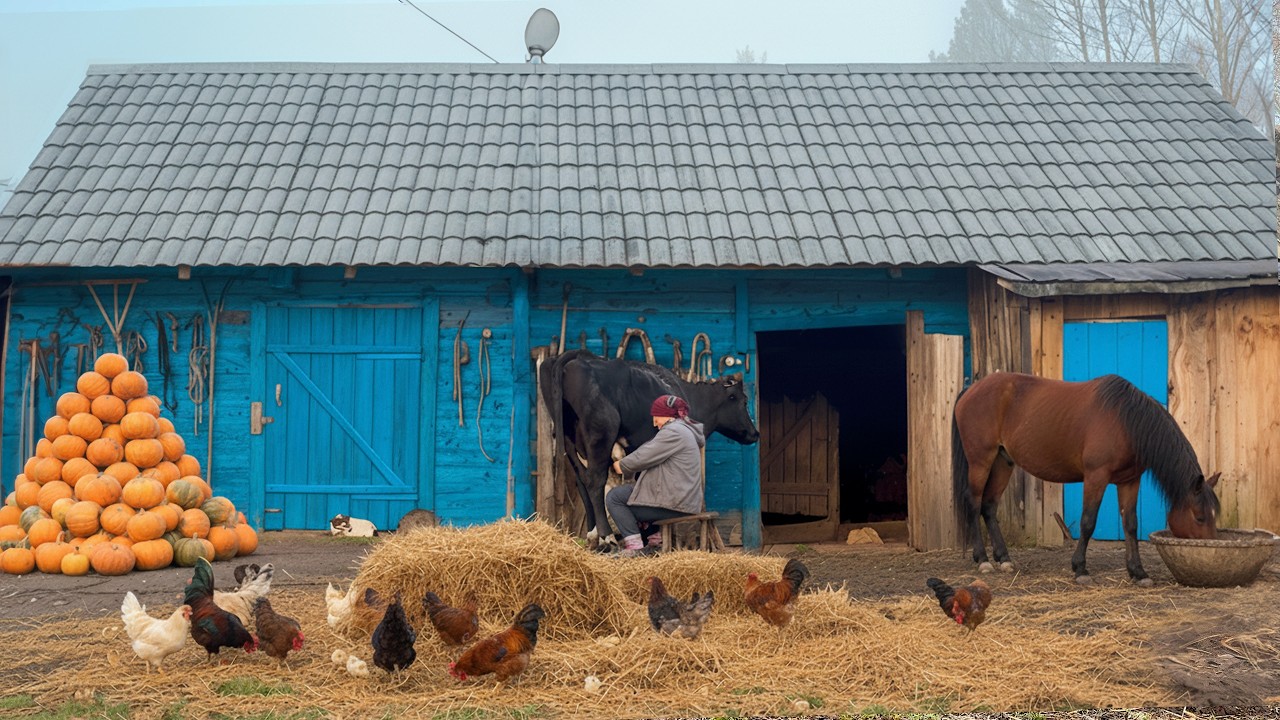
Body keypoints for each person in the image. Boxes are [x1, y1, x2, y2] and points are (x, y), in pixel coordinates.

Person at [607, 394, 706, 557]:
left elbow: (645, 455)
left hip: (676, 503)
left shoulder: (674, 432)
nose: (654, 423)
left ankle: (634, 548)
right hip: (681, 499)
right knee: (639, 492)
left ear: (668, 416)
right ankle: (655, 541)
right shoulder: (683, 430)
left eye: (656, 417)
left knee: (615, 497)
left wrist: (620, 465)